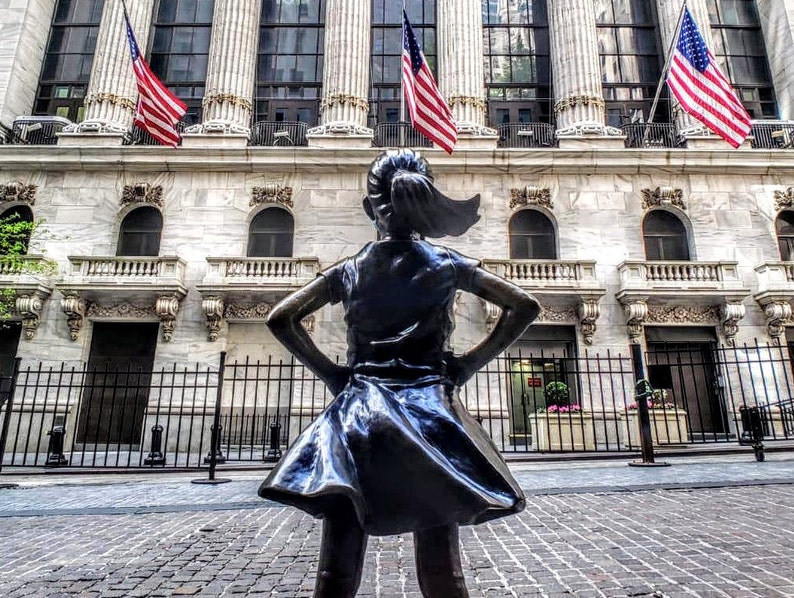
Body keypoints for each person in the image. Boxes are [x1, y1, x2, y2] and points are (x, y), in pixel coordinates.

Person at [259, 149, 540, 598]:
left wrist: (332, 373)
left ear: (372, 209)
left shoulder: (350, 269)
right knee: (441, 565)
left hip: (359, 412)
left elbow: (280, 317)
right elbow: (524, 305)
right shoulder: (447, 263)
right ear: (426, 203)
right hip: (430, 415)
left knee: (337, 566)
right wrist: (468, 363)